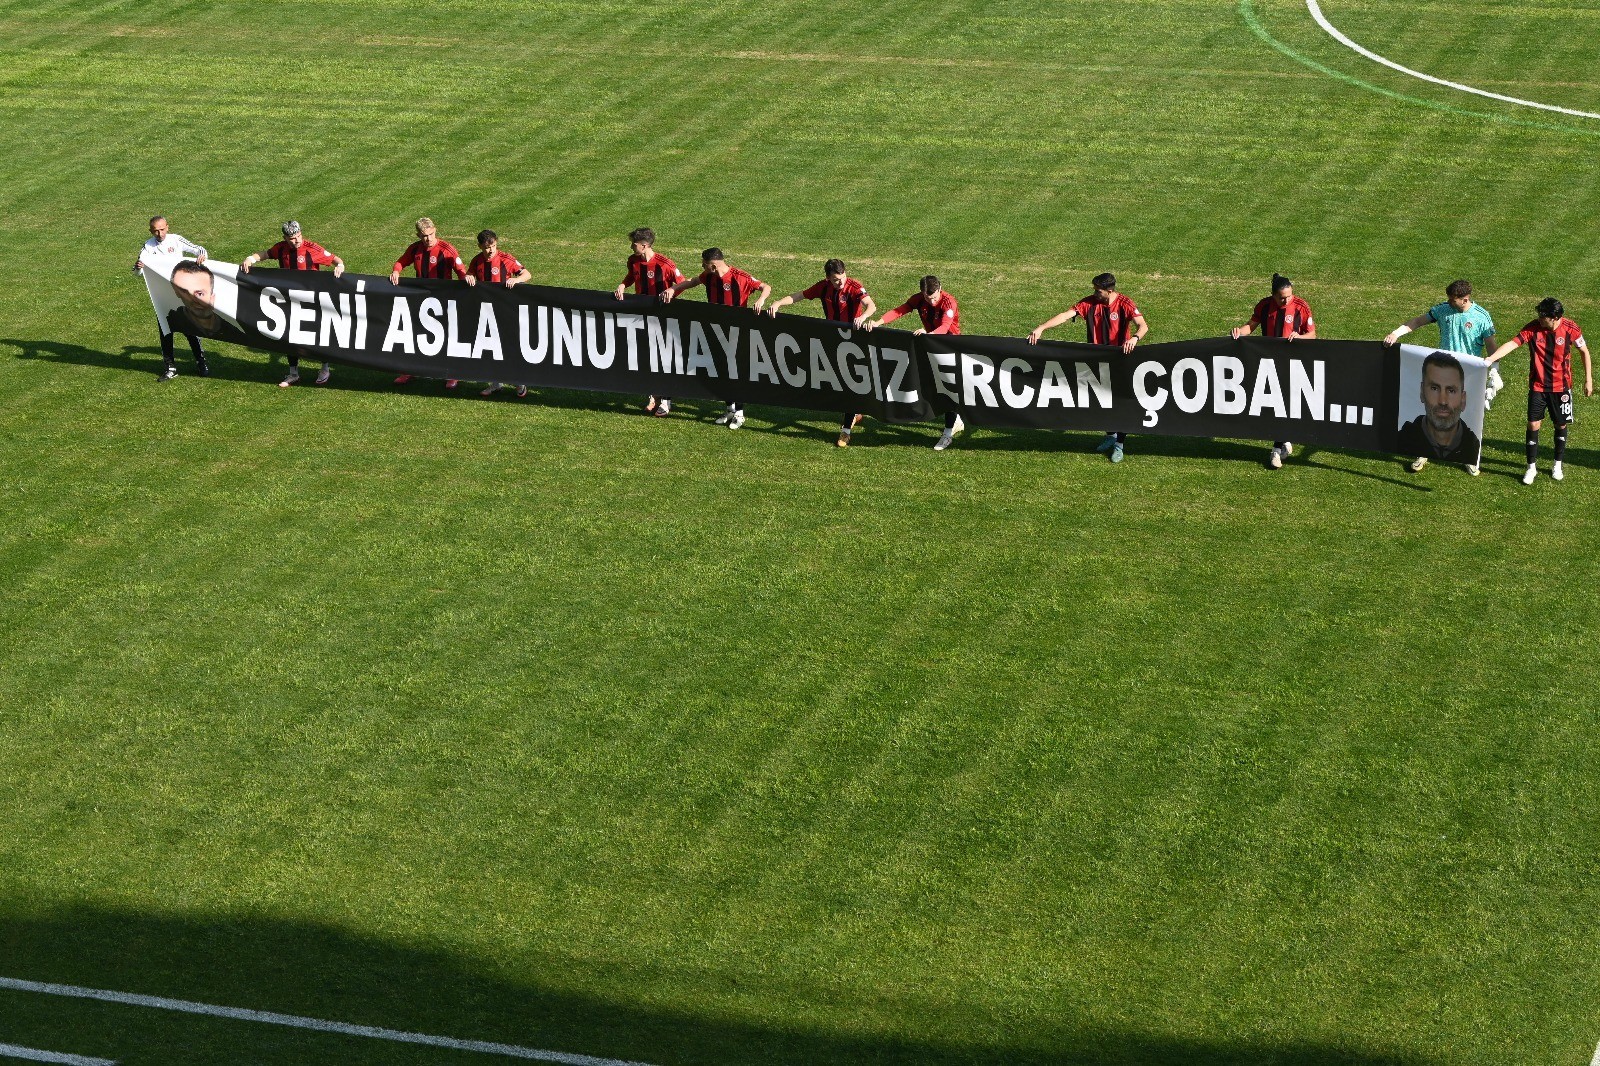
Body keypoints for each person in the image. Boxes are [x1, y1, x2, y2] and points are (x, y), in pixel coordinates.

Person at [1026, 272, 1147, 462]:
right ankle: (1110, 435)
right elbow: (1066, 315)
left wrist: (1134, 338)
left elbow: (1143, 325)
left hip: (1119, 361)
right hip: (1096, 361)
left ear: (1109, 291)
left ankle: (1119, 445)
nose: (1095, 293)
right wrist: (1041, 328)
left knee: (1121, 403)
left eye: (1098, 291)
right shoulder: (1089, 303)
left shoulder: (1125, 303)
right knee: (1100, 400)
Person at [1383, 279, 1497, 475]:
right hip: (1443, 372)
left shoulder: (1481, 317)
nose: (1449, 302)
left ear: (1465, 299)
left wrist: (1494, 372)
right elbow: (1418, 321)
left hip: (1469, 374)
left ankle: (1469, 457)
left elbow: (1491, 347)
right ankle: (1423, 451)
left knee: (1470, 415)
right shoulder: (1443, 310)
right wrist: (1397, 333)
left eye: (1453, 300)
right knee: (1433, 411)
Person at [767, 259, 878, 446]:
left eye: (842, 278)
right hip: (833, 340)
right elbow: (798, 296)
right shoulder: (823, 287)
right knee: (839, 381)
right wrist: (778, 303)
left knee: (850, 382)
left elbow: (871, 305)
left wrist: (863, 316)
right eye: (835, 280)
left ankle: (845, 430)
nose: (840, 282)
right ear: (828, 278)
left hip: (854, 342)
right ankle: (857, 411)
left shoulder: (854, 286)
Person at [1485, 297, 1593, 484]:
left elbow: (1584, 351)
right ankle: (1531, 467)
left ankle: (1557, 464)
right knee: (1533, 424)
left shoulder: (1571, 328)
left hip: (1561, 388)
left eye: (1543, 316)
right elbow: (1512, 344)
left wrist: (1588, 379)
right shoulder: (1533, 328)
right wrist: (1490, 359)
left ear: (1555, 317)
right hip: (1538, 386)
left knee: (1560, 425)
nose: (1540, 319)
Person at [661, 248, 771, 428]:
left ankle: (740, 413)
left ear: (713, 264)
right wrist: (673, 288)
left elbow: (766, 287)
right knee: (721, 371)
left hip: (737, 332)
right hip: (715, 331)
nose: (702, 266)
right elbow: (692, 281)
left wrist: (761, 300)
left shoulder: (739, 277)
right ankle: (729, 409)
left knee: (736, 372)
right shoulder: (709, 276)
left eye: (704, 263)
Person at [240, 221, 345, 387]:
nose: (296, 241)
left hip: (312, 300)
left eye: (298, 237)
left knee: (318, 333)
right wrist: (250, 259)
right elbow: (265, 254)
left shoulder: (312, 249)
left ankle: (325, 369)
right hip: (289, 300)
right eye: (291, 239)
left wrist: (340, 266)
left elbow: (335, 259)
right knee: (289, 335)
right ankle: (293, 373)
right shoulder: (281, 248)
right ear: (285, 238)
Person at [1229, 273, 1316, 468]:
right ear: (1273, 296)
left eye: (1289, 296)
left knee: (1282, 403)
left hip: (1293, 363)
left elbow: (1312, 335)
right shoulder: (1265, 306)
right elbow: (1250, 327)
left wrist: (1299, 337)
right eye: (1282, 297)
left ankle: (1277, 449)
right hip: (1268, 363)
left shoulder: (1301, 306)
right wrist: (1238, 332)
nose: (1287, 300)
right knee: (1272, 404)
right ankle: (1284, 439)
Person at [868, 276, 963, 449]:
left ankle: (948, 433)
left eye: (934, 297)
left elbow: (945, 326)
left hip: (950, 348)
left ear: (940, 289)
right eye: (928, 298)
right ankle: (956, 419)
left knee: (948, 388)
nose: (932, 302)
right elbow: (900, 311)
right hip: (931, 346)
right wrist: (878, 322)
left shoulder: (949, 303)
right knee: (933, 386)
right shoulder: (919, 299)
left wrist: (929, 334)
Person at [388, 217, 474, 387]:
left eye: (431, 234)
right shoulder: (415, 249)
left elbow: (461, 271)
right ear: (418, 235)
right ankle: (408, 371)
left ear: (435, 229)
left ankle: (452, 373)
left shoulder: (447, 249)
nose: (428, 239)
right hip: (421, 298)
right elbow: (401, 261)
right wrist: (396, 271)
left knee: (448, 337)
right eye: (424, 236)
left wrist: (467, 281)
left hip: (444, 299)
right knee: (412, 334)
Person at [614, 228, 685, 416]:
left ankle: (666, 401)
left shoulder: (665, 264)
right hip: (642, 315)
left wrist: (672, 291)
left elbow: (682, 282)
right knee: (646, 356)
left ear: (644, 246)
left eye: (634, 244)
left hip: (662, 316)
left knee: (663, 357)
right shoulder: (633, 261)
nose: (631, 247)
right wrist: (623, 284)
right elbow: (632, 276)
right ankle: (653, 395)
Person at [134, 215, 210, 380]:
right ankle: (170, 367)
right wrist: (139, 268)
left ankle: (201, 362)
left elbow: (200, 249)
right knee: (165, 332)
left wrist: (203, 256)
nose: (159, 234)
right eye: (156, 231)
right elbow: (138, 272)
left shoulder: (176, 240)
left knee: (191, 330)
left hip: (182, 295)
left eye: (162, 229)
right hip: (162, 296)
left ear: (167, 227)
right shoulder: (147, 246)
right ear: (151, 231)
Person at [467, 230, 533, 398]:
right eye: (487, 247)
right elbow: (470, 274)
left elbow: (527, 274)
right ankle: (496, 383)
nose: (491, 250)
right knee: (489, 348)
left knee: (508, 347)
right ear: (480, 246)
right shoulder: (477, 261)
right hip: (485, 312)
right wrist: (469, 277)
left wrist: (516, 280)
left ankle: (519, 383)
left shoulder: (505, 259)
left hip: (504, 311)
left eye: (493, 246)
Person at [1396, 351, 1482, 468]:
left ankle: (1469, 461)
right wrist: (1396, 334)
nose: (1443, 401)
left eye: (1451, 390)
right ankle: (1420, 454)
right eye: (1434, 388)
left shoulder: (1473, 445)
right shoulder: (1402, 440)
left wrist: (1493, 362)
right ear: (1422, 392)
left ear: (1463, 399)